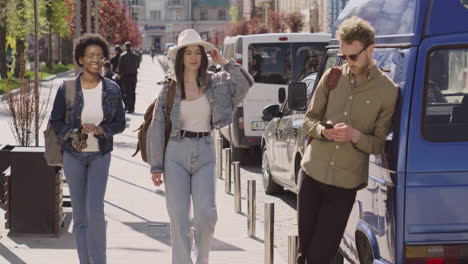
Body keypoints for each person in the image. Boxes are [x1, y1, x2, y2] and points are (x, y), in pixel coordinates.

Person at [146, 29, 254, 264]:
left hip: (205, 150)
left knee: (207, 216)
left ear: (204, 56)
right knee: (180, 221)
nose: (194, 57)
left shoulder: (216, 83)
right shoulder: (170, 87)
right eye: (188, 53)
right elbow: (157, 125)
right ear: (181, 57)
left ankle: (202, 259)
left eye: (198, 52)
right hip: (175, 153)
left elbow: (245, 84)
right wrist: (156, 165)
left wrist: (224, 62)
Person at [297, 16, 399, 263]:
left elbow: (378, 143)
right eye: (344, 56)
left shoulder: (387, 91)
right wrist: (324, 131)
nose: (347, 62)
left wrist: (354, 135)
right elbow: (308, 121)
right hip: (311, 173)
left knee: (320, 255)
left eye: (353, 56)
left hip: (343, 186)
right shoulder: (331, 76)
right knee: (304, 254)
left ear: (370, 50)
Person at [49, 33, 126, 264]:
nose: (96, 60)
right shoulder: (68, 88)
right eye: (90, 55)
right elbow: (56, 119)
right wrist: (72, 134)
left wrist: (102, 130)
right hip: (73, 156)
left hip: (100, 155)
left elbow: (120, 122)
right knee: (81, 216)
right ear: (80, 59)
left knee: (95, 211)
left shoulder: (112, 88)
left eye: (100, 56)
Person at [117, 41, 140, 113]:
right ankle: (132, 107)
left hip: (126, 76)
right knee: (133, 92)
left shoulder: (122, 56)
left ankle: (129, 107)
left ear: (125, 47)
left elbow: (120, 67)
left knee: (127, 92)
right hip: (134, 76)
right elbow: (138, 66)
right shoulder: (136, 56)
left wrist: (119, 74)